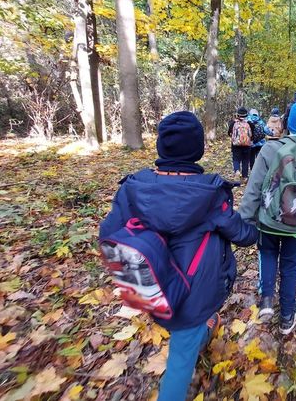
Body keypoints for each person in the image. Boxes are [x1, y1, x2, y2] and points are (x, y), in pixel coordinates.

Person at [99, 111, 258, 401]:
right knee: (180, 361)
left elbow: (108, 232)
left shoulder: (133, 189)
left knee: (185, 332)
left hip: (154, 287)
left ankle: (203, 332)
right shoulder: (209, 194)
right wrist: (256, 230)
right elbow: (242, 235)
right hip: (194, 295)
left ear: (161, 146)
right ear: (197, 149)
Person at [238, 99, 296, 334]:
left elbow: (254, 188)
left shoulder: (269, 149)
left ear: (286, 123)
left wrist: (243, 219)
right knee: (290, 265)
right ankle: (287, 315)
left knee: (267, 253)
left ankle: (267, 301)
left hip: (268, 219)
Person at [228, 107, 252, 178]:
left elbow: (229, 133)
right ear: (246, 115)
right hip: (247, 145)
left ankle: (237, 170)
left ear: (238, 115)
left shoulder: (233, 123)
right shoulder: (249, 123)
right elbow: (251, 134)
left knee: (236, 159)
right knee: (245, 160)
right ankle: (245, 177)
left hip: (236, 145)